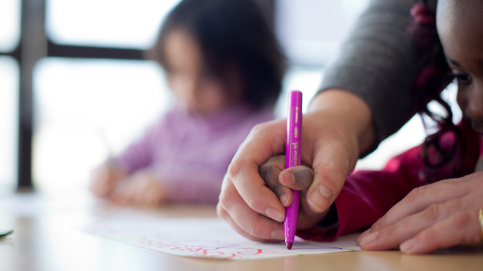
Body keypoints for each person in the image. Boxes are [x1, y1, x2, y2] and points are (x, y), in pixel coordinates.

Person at [217, 0, 483, 254]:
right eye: (462, 77)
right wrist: (322, 205)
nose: (477, 106)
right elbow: (399, 189)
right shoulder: (462, 148)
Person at [89, 0, 285, 206]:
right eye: (178, 70)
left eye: (209, 75)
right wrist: (108, 172)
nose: (190, 90)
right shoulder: (170, 121)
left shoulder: (261, 130)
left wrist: (173, 186)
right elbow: (127, 160)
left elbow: (240, 187)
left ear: (250, 66)